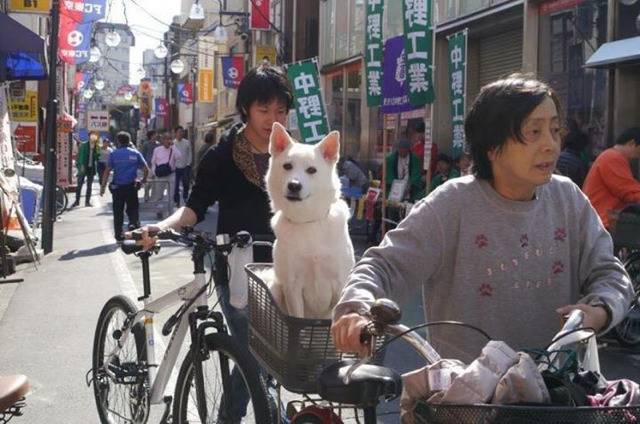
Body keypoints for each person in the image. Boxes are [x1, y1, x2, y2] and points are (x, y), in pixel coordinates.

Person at [331, 74, 633, 361]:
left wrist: (600, 311)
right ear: (492, 146)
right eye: (534, 131)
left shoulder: (568, 199)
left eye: (555, 130)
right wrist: (356, 309)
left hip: (556, 387)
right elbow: (383, 266)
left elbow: (610, 274)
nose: (550, 144)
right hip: (466, 397)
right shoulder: (451, 204)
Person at [136, 65, 294, 421]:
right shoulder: (222, 157)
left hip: (286, 266)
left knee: (264, 353)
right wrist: (159, 227)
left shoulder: (292, 154)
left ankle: (227, 418)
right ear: (246, 110)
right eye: (263, 110)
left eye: (280, 110)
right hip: (236, 264)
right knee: (257, 352)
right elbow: (193, 209)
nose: (273, 119)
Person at [582, 127, 640, 229]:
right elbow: (628, 191)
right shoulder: (613, 158)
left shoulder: (611, 156)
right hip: (600, 222)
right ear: (632, 143)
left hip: (597, 221)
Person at [100, 131, 149, 241]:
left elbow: (107, 171)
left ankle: (119, 235)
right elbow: (146, 169)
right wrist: (143, 180)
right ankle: (133, 227)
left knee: (118, 211)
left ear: (118, 141)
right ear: (129, 141)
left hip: (118, 188)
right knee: (133, 209)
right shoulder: (135, 153)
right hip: (132, 186)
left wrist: (103, 187)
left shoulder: (114, 154)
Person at [150, 133, 181, 206]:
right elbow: (153, 162)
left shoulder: (173, 149)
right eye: (166, 139)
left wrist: (173, 146)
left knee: (170, 195)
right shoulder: (157, 149)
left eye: (170, 139)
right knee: (159, 195)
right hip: (160, 175)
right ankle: (159, 210)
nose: (168, 141)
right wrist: (154, 172)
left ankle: (169, 212)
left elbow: (179, 156)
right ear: (162, 140)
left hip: (171, 174)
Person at [72, 132, 101, 207]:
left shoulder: (96, 146)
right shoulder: (84, 145)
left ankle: (87, 202)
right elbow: (81, 156)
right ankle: (77, 201)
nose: (93, 137)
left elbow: (97, 157)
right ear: (89, 137)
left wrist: (96, 148)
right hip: (83, 166)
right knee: (79, 185)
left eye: (95, 136)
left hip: (91, 167)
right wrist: (81, 166)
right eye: (92, 135)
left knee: (89, 185)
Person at [173, 126, 192, 207]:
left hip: (185, 166)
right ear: (175, 133)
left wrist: (188, 164)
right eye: (179, 131)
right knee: (176, 185)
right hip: (175, 167)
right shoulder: (173, 143)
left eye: (182, 131)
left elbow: (190, 154)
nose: (181, 133)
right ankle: (176, 200)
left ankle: (185, 197)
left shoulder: (187, 142)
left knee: (186, 183)